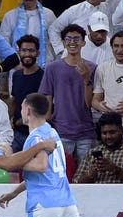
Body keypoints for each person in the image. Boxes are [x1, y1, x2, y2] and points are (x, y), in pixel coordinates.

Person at [39, 24, 96, 164]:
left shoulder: (93, 68)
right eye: (68, 38)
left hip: (86, 131)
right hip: (61, 130)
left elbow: (90, 103)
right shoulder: (52, 68)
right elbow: (47, 97)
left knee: (87, 174)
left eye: (76, 39)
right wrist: (46, 125)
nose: (72, 42)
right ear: (64, 42)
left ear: (83, 42)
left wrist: (86, 79)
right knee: (61, 172)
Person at [48, 0, 123, 57]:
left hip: (106, 56)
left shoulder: (110, 7)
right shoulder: (74, 10)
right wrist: (61, 51)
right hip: (80, 57)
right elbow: (53, 29)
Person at [73, 112, 123, 183]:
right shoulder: (91, 153)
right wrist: (90, 173)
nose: (108, 136)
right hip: (96, 195)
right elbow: (75, 182)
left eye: (112, 132)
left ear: (122, 131)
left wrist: (115, 170)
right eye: (104, 133)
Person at [0, 0, 56, 67]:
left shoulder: (49, 15)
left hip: (44, 67)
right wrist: (13, 65)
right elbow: (3, 46)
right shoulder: (9, 16)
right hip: (17, 68)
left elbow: (55, 42)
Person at [11, 34, 45, 152]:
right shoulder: (16, 75)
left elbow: (45, 107)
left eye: (31, 50)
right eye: (24, 50)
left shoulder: (43, 76)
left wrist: (22, 120)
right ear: (19, 52)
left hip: (36, 135)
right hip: (17, 134)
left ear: (38, 53)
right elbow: (14, 100)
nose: (28, 54)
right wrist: (11, 121)